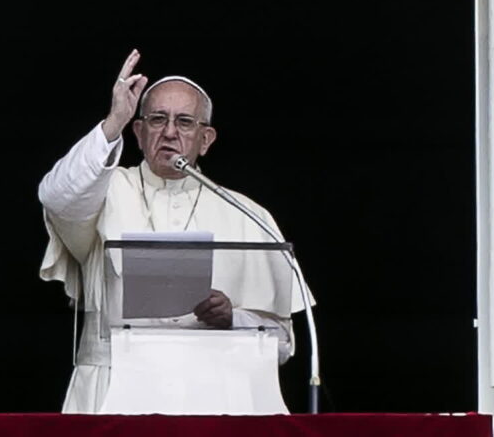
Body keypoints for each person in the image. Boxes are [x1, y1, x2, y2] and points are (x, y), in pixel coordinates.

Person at [38, 49, 304, 413]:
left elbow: (283, 344)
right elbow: (56, 197)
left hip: (215, 398)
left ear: (206, 139)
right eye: (157, 119)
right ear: (138, 131)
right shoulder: (103, 189)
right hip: (115, 391)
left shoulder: (248, 214)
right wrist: (113, 120)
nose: (169, 132)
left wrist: (233, 319)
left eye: (185, 122)